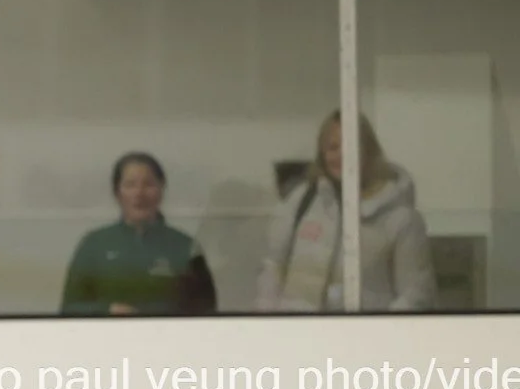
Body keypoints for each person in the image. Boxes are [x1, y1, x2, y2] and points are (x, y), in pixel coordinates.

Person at [256, 112, 436, 312]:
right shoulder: (301, 201)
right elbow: (273, 268)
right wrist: (269, 321)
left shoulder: (400, 217)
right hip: (296, 330)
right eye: (332, 148)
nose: (341, 155)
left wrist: (379, 330)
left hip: (364, 331)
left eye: (350, 146)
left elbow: (415, 294)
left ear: (369, 151)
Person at [59, 152, 217, 315]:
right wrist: (107, 311)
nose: (139, 193)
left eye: (148, 184)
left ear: (161, 189)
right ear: (117, 193)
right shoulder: (94, 244)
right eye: (130, 185)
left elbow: (207, 311)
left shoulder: (186, 246)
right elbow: (69, 309)